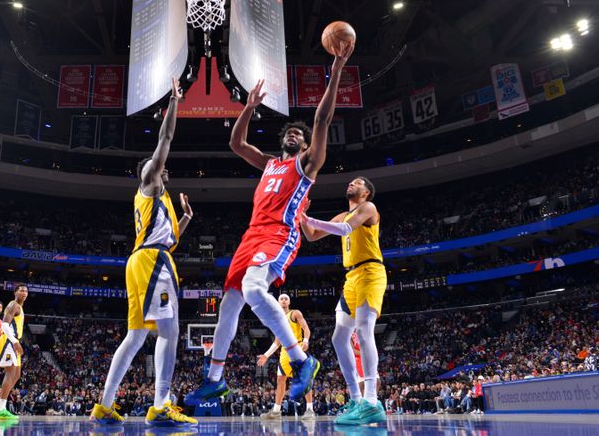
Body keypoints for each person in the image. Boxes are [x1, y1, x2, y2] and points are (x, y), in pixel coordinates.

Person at [186, 46, 354, 407]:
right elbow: (236, 143)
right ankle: (214, 379)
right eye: (290, 131)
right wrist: (248, 107)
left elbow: (322, 120)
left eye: (299, 133)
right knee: (229, 304)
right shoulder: (268, 164)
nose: (294, 133)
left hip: (280, 233)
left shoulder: (307, 164)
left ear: (307, 145)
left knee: (252, 287)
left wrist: (337, 66)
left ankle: (301, 359)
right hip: (251, 235)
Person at [91, 78, 197, 428]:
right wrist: (175, 102)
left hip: (147, 258)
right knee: (169, 330)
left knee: (136, 335)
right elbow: (165, 139)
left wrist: (185, 218)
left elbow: (168, 238)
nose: (164, 169)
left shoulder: (161, 201)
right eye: (159, 166)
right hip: (151, 262)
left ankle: (104, 405)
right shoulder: (150, 182)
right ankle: (161, 404)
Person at [300, 175, 387, 424]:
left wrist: (308, 218)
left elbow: (345, 229)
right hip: (351, 278)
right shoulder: (342, 214)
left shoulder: (368, 208)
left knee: (363, 330)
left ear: (366, 192)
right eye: (351, 181)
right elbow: (312, 235)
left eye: (358, 182)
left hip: (371, 272)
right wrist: (302, 218)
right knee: (339, 337)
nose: (352, 183)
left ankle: (371, 400)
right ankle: (356, 398)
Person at [256, 294, 315, 419]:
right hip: (284, 351)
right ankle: (276, 411)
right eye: (281, 298)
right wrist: (266, 355)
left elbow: (306, 328)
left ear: (289, 302)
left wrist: (305, 340)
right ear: (278, 302)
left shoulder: (295, 313)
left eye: (285, 298)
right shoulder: (277, 319)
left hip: (297, 348)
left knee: (304, 379)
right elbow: (277, 341)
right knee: (280, 380)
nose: (283, 300)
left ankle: (310, 409)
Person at [0, 285, 28, 419]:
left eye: (26, 291)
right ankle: (0, 408)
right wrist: (15, 342)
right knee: (10, 373)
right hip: (8, 340)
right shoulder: (13, 305)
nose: (24, 292)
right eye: (21, 290)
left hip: (13, 340)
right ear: (15, 292)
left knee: (16, 375)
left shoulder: (20, 308)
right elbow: (4, 325)